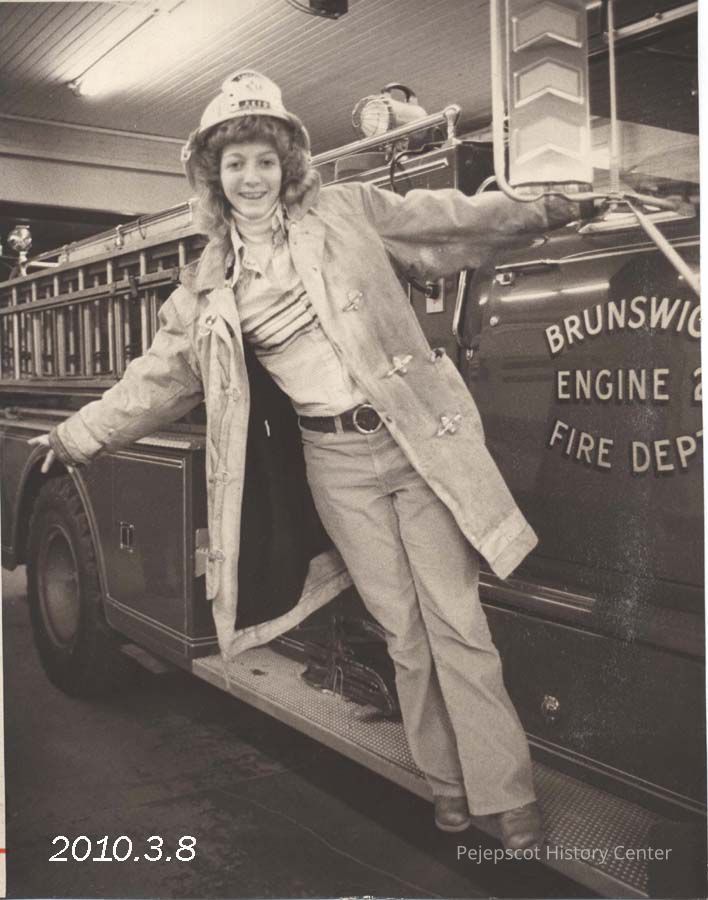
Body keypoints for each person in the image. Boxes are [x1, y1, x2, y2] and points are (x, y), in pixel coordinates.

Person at [31, 70, 578, 849]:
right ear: (213, 177)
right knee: (403, 634)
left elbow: (448, 220)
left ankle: (506, 792)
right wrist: (76, 434)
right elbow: (157, 380)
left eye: (265, 159)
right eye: (235, 163)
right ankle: (448, 783)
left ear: (288, 162)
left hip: (413, 441)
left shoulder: (349, 212)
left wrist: (544, 207)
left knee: (457, 621)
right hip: (337, 465)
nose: (252, 176)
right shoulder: (207, 287)